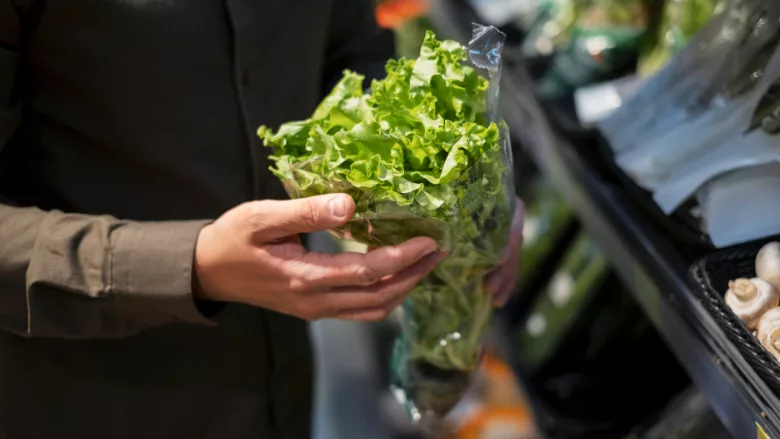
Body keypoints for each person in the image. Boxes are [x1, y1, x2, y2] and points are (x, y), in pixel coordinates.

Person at [0, 1, 524, 438]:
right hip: (89, 397)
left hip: (283, 383)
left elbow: (351, 51)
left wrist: (461, 182)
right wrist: (194, 265)